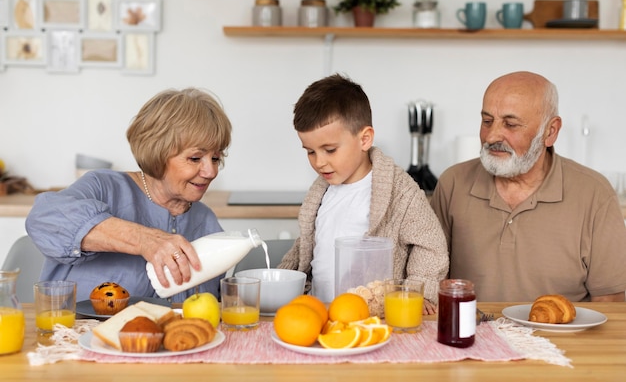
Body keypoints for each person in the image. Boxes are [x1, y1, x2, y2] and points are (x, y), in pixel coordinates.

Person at [430, 71, 626, 302]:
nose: (492, 136)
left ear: (550, 131)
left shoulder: (594, 194)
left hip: (560, 338)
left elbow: (611, 302)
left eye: (510, 124)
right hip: (471, 336)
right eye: (487, 121)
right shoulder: (453, 183)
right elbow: (428, 280)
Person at [25, 87, 233, 302]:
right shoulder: (103, 188)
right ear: (157, 152)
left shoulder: (207, 222)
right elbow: (42, 218)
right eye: (196, 158)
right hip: (74, 333)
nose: (211, 172)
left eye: (215, 159)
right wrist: (144, 240)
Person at [278, 73, 449, 314]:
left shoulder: (400, 192)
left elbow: (430, 244)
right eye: (310, 152)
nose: (319, 162)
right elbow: (307, 244)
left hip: (374, 314)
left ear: (365, 139)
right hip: (320, 311)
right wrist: (281, 279)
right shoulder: (321, 192)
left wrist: (416, 294)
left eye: (329, 150)